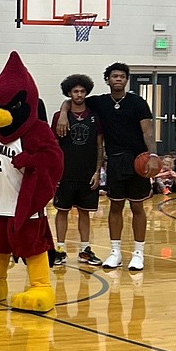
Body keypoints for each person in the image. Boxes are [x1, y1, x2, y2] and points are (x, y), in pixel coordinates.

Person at [56, 62, 155, 274]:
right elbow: (70, 100)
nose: (118, 79)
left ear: (126, 80)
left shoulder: (138, 102)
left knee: (137, 207)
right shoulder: (99, 102)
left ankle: (138, 253)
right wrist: (63, 113)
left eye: (122, 76)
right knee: (115, 207)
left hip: (137, 160)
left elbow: (148, 131)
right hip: (114, 162)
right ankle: (115, 251)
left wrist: (153, 155)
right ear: (107, 80)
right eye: (114, 76)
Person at [50, 74, 104, 267]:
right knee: (62, 211)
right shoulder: (59, 116)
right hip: (65, 173)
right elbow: (53, 147)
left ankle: (85, 250)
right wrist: (54, 172)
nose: (79, 94)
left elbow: (99, 146)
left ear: (86, 92)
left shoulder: (94, 115)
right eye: (75, 91)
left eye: (82, 91)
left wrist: (98, 171)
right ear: (69, 93)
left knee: (84, 213)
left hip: (87, 173)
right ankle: (60, 249)